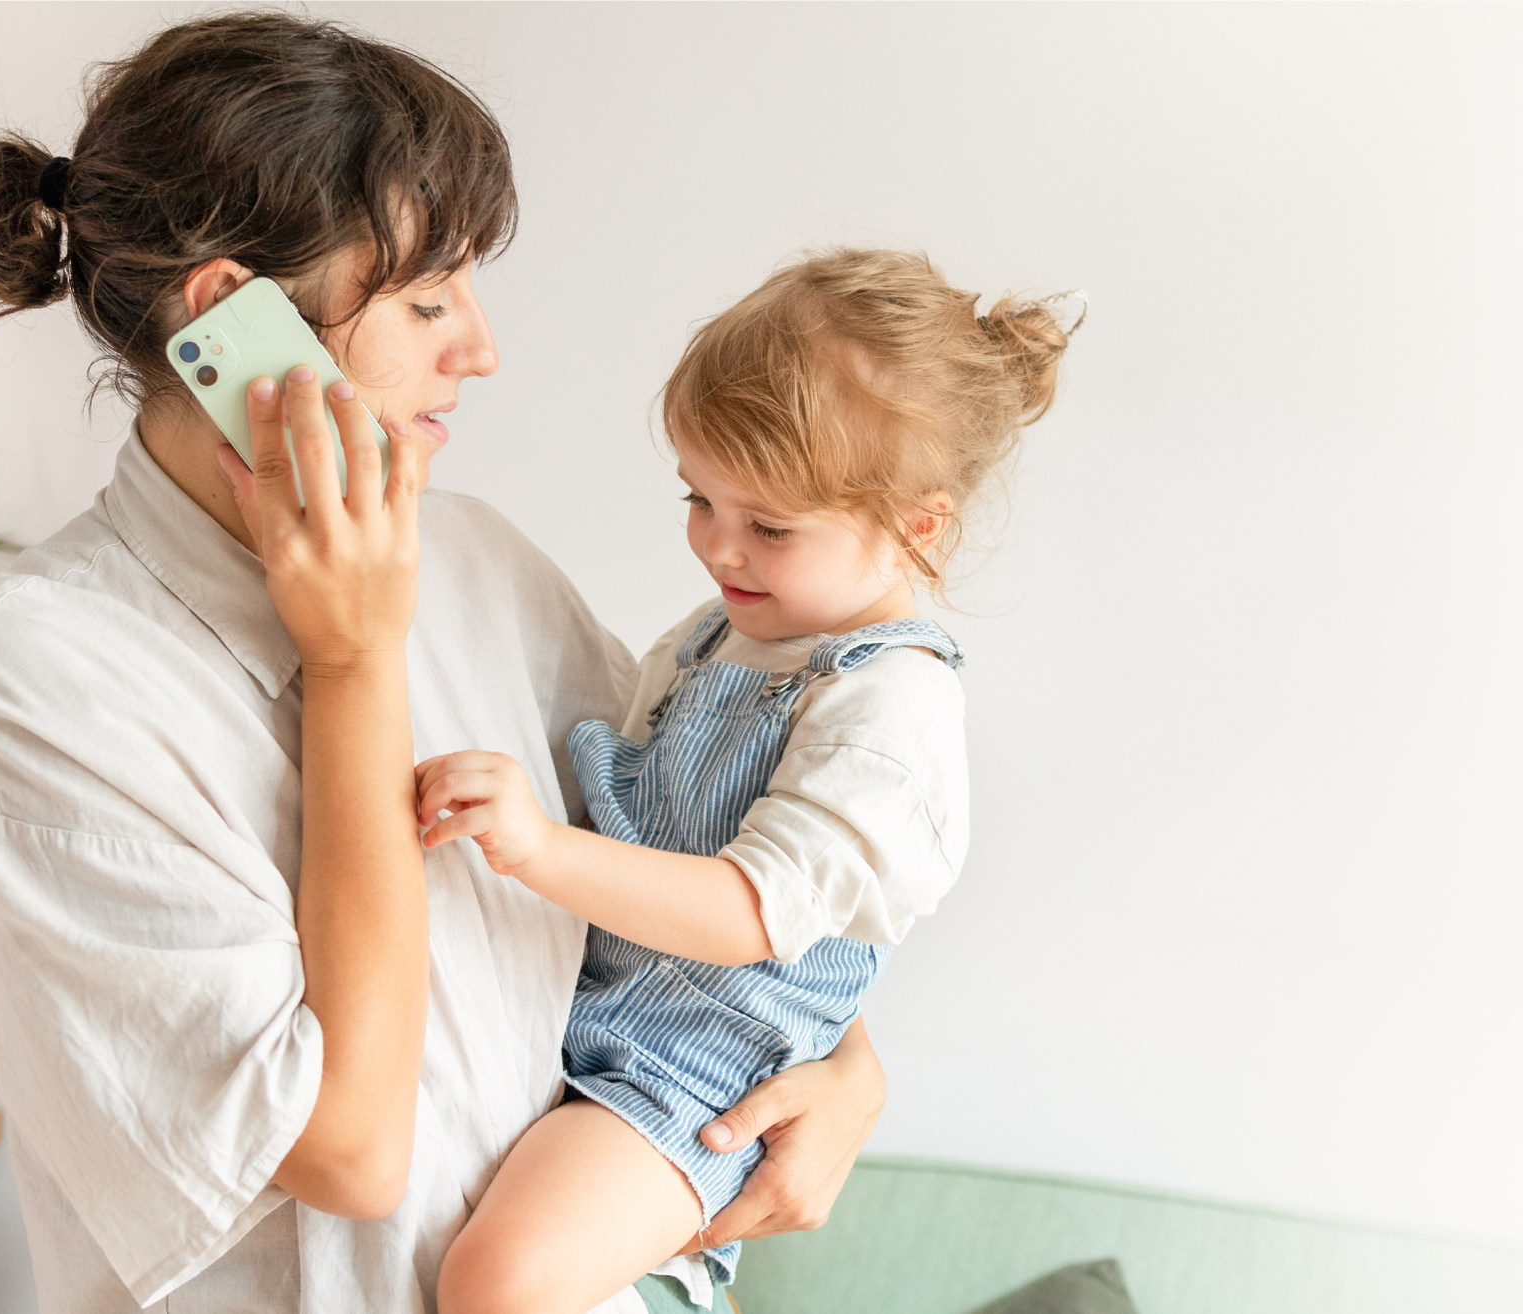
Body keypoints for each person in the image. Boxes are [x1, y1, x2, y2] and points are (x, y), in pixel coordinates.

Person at [0, 15, 884, 1313]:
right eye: (427, 301)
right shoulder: (36, 676)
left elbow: (693, 869)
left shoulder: (479, 560)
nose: (479, 348)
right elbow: (348, 1150)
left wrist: (852, 1064)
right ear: (232, 320)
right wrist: (355, 660)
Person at [418, 250, 1075, 1313]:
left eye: (769, 526)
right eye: (699, 498)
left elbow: (748, 914)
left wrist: (536, 848)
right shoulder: (722, 632)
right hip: (587, 1012)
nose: (719, 548)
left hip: (690, 1079)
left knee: (502, 1280)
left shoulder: (892, 707)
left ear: (918, 528)